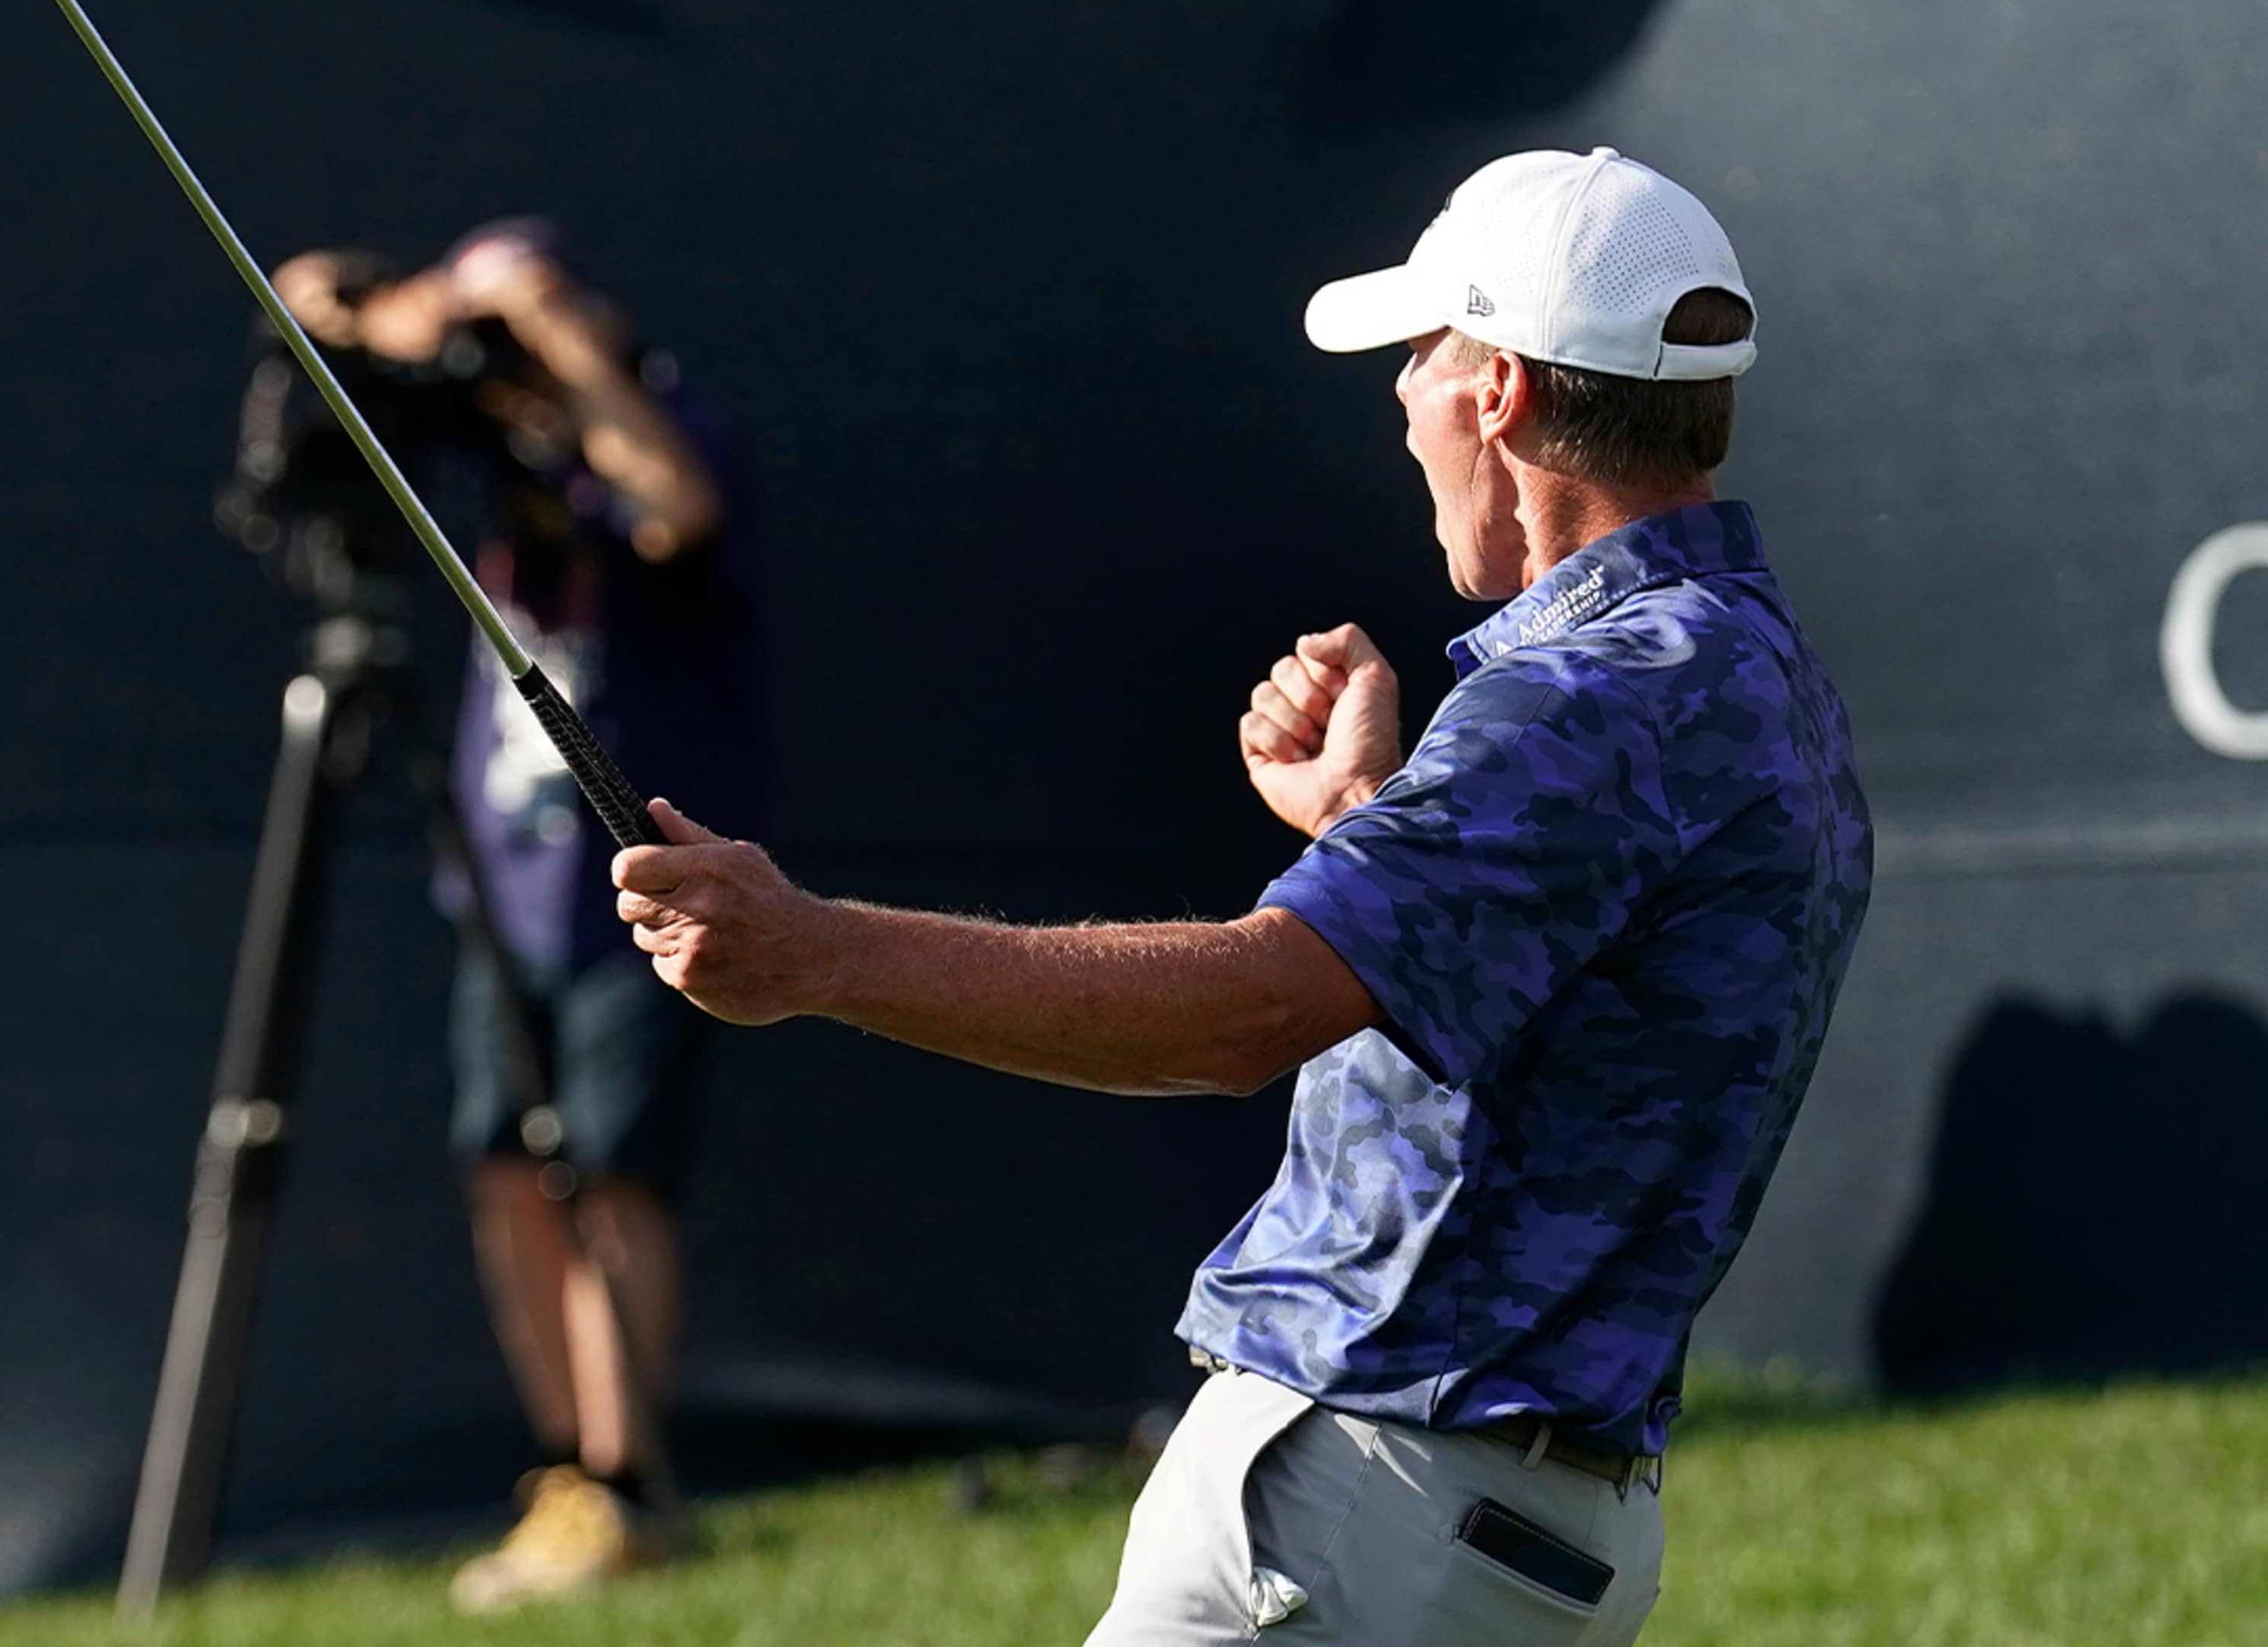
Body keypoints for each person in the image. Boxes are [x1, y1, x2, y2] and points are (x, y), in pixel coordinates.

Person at [609, 148, 1873, 1643]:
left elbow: (1245, 1012)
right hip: (1496, 1531)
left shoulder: (1587, 698)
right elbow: (1587, 1009)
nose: (1401, 391)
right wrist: (1367, 823)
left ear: (1501, 392)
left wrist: (811, 952)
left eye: (1423, 351)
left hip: (1370, 1510)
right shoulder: (1742, 661)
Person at [269, 220, 766, 1613]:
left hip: (638, 885)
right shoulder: (500, 458)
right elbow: (334, 321)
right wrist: (387, 309)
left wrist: (553, 327)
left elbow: (677, 507)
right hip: (508, 882)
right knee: (506, 1167)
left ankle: (625, 1480)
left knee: (611, 1176)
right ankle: (566, 1472)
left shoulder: (653, 432)